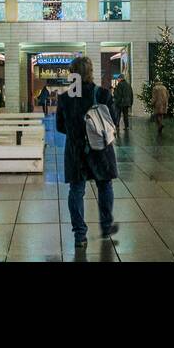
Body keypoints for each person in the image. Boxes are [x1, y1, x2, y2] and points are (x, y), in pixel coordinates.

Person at [55, 56, 118, 247]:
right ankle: (106, 227)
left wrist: (77, 134)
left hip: (76, 151)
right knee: (105, 186)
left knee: (76, 190)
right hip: (100, 149)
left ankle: (79, 235)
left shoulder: (66, 98)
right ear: (90, 72)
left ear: (72, 73)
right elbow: (113, 121)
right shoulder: (103, 94)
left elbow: (60, 126)